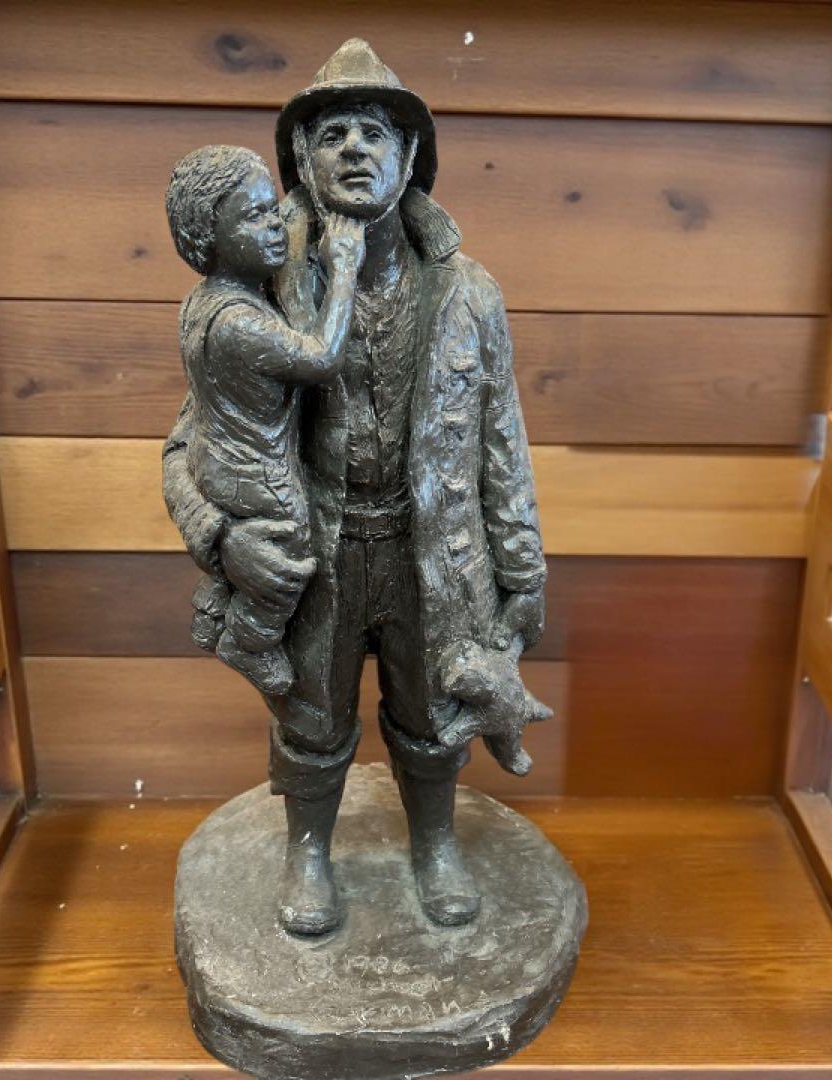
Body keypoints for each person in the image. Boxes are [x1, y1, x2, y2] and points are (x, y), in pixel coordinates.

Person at [163, 40, 547, 936]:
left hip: (433, 556)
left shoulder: (469, 294)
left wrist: (524, 571)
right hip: (316, 553)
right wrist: (221, 537)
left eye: (375, 132)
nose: (354, 150)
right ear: (300, 160)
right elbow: (188, 444)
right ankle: (308, 851)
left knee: (432, 708)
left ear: (410, 157)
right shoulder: (258, 293)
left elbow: (503, 444)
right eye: (331, 134)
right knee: (312, 712)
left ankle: (434, 844)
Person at [164, 145, 364, 694]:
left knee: (266, 550)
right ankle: (249, 639)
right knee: (290, 550)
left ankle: (218, 601)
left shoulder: (200, 303)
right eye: (254, 217)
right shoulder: (239, 324)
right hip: (255, 471)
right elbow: (322, 356)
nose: (277, 225)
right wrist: (344, 269)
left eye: (274, 209)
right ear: (209, 238)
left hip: (214, 458)